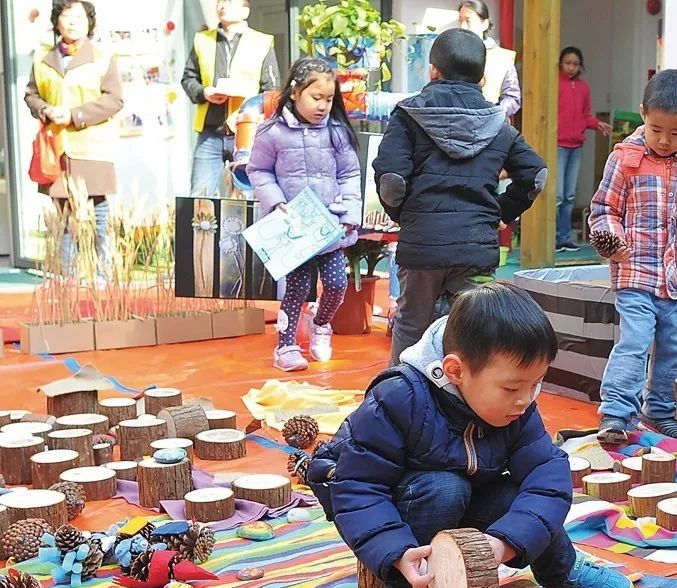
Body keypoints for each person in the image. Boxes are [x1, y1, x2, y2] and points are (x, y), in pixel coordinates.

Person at [312, 283, 634, 588]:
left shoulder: (517, 405)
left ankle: (561, 570)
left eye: (535, 385)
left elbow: (547, 475)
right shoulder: (398, 397)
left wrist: (504, 543)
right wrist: (397, 554)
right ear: (455, 371)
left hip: (464, 505)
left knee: (519, 492)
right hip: (402, 513)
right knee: (444, 487)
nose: (526, 399)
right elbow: (357, 488)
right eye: (513, 386)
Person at [373, 28, 546, 364]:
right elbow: (535, 175)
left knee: (411, 327)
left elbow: (392, 181)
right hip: (474, 248)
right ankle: (468, 409)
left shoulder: (408, 116)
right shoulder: (499, 124)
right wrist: (499, 212)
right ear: (482, 78)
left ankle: (397, 405)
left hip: (421, 248)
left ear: (433, 70)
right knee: (472, 334)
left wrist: (407, 217)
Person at [589, 70, 677, 443]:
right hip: (636, 274)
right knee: (633, 344)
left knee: (676, 350)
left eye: (675, 133)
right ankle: (617, 414)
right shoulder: (625, 159)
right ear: (642, 115)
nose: (664, 140)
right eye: (656, 129)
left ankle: (661, 412)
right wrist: (612, 241)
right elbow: (604, 210)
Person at [247, 58, 361, 372]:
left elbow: (350, 174)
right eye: (316, 97)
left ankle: (321, 324)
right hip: (293, 227)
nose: (323, 106)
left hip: (329, 226)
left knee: (337, 284)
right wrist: (275, 201)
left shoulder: (337, 132)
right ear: (296, 92)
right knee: (296, 288)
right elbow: (258, 169)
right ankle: (286, 346)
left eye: (328, 99)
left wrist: (350, 212)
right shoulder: (272, 131)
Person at [24, 0, 123, 271]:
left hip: (93, 146)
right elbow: (31, 95)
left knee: (100, 210)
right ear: (56, 21)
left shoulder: (103, 56)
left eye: (79, 16)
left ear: (90, 22)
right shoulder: (43, 58)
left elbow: (114, 100)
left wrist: (74, 115)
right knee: (64, 213)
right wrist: (45, 110)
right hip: (57, 148)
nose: (72, 21)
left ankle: (105, 273)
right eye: (66, 15)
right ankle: (66, 275)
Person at [181, 0, 279, 197]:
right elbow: (188, 78)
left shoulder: (261, 41)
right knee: (200, 195)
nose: (222, 5)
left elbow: (272, 89)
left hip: (246, 131)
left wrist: (259, 113)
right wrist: (204, 92)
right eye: (220, 2)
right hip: (210, 131)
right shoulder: (202, 40)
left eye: (229, 1)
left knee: (248, 194)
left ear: (245, 9)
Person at [556, 46, 612, 253]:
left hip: (576, 145)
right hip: (558, 145)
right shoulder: (554, 85)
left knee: (569, 195)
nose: (571, 67)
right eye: (567, 63)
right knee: (558, 196)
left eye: (575, 64)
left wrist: (597, 124)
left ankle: (563, 238)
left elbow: (584, 116)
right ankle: (552, 239)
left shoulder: (583, 88)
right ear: (561, 63)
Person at [457, 0, 520, 119]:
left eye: (468, 20)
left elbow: (513, 98)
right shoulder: (452, 53)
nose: (462, 26)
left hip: (491, 125)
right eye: (460, 20)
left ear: (484, 24)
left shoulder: (501, 58)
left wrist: (494, 112)